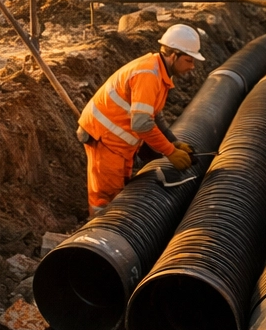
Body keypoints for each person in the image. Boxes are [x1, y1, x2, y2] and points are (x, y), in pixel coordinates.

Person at [77, 24, 205, 214]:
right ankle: (96, 234)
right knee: (106, 199)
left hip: (120, 141)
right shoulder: (148, 75)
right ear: (174, 55)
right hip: (105, 139)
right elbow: (142, 124)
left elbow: (154, 116)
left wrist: (174, 141)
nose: (192, 67)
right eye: (188, 60)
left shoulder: (158, 73)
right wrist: (170, 152)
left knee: (120, 192)